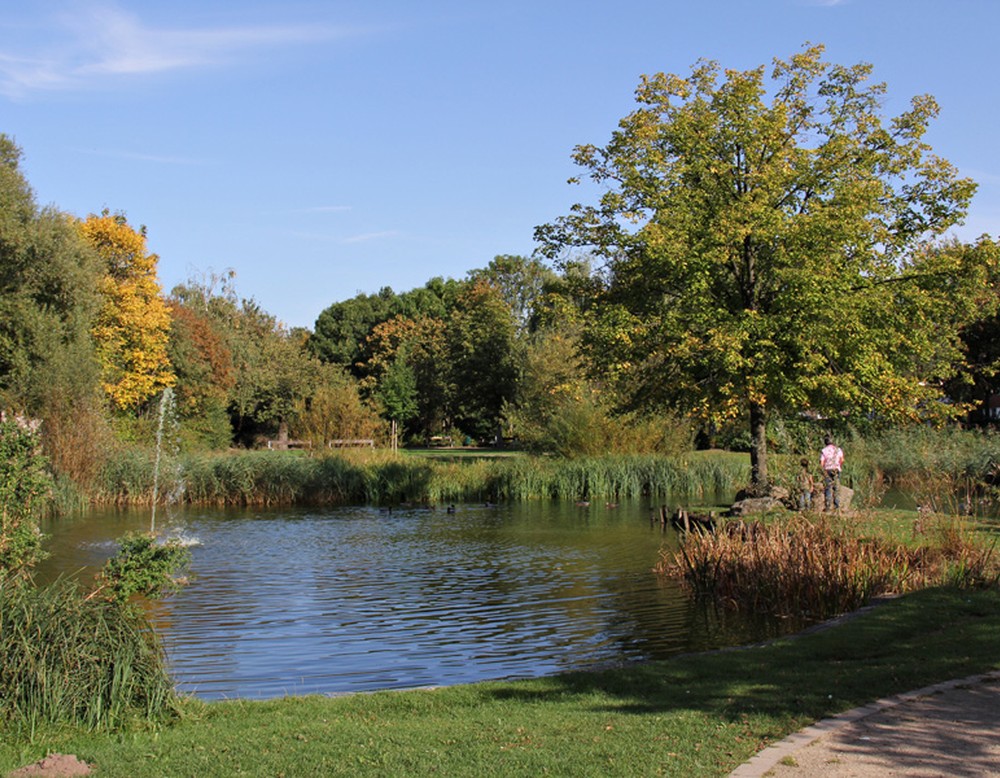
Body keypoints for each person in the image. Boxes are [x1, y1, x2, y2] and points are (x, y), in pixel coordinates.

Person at [819, 435, 845, 511]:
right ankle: (837, 506)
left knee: (828, 488)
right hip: (836, 469)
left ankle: (828, 506)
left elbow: (822, 462)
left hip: (827, 470)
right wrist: (838, 465)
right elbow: (842, 460)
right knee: (836, 488)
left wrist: (823, 469)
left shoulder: (824, 450)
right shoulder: (838, 450)